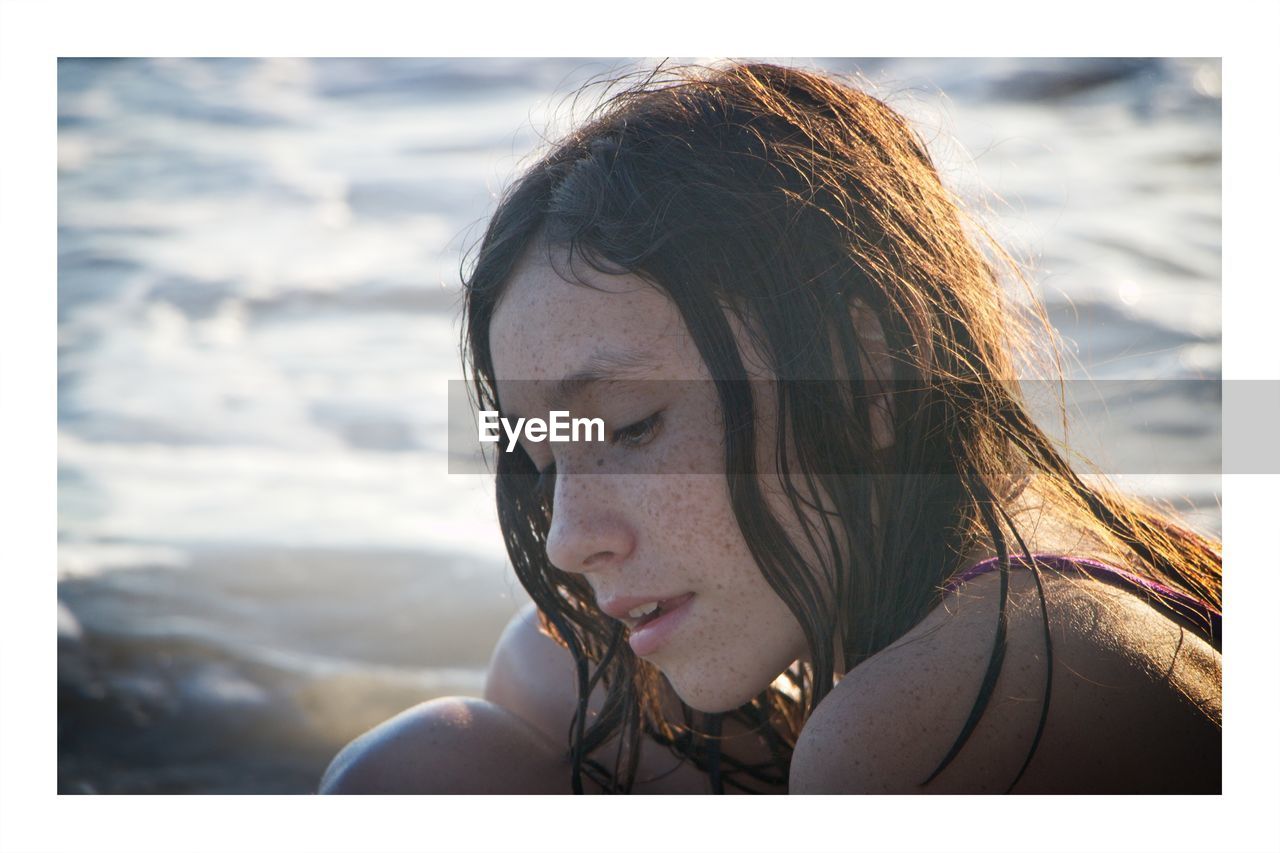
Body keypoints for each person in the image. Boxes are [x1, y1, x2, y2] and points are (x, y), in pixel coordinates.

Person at [319, 62, 1221, 795]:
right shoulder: (1057, 549)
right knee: (544, 672)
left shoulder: (922, 732)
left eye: (632, 427)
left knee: (413, 777)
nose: (565, 541)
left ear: (866, 375)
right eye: (545, 458)